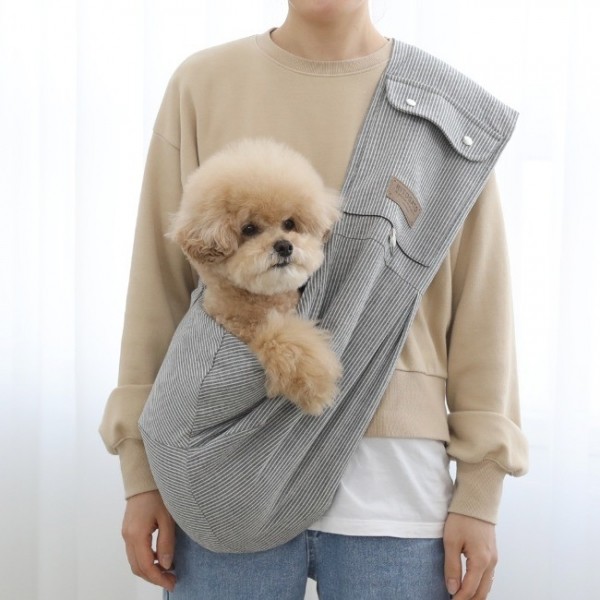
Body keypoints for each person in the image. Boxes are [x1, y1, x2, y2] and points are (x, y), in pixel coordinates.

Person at [100, 1, 528, 598]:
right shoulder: (203, 83)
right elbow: (158, 285)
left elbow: (483, 306)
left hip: (395, 489)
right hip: (222, 467)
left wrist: (481, 490)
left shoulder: (445, 109)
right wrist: (141, 473)